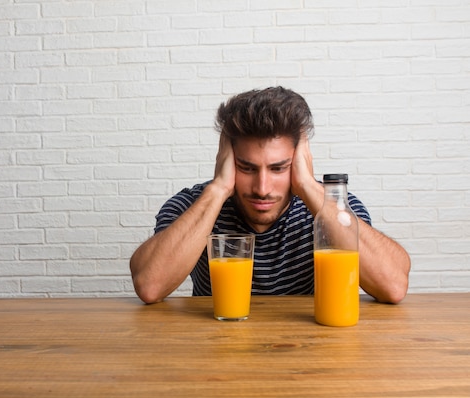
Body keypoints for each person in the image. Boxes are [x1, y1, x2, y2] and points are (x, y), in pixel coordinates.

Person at [129, 86, 410, 305]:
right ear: (226, 159)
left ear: (300, 160)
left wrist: (309, 186)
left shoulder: (335, 210)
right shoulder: (192, 206)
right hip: (216, 351)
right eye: (246, 167)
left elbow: (393, 286)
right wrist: (218, 189)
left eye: (279, 168)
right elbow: (150, 286)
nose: (262, 188)